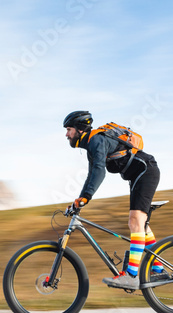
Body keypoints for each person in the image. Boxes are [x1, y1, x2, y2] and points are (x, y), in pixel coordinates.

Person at [62, 110, 163, 289]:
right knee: (141, 225)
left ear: (79, 129)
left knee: (135, 221)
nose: (66, 134)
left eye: (69, 129)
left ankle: (132, 275)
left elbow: (100, 170)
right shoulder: (93, 145)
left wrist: (86, 197)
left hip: (146, 171)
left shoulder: (96, 140)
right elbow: (92, 174)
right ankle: (158, 269)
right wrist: (81, 198)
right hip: (139, 175)